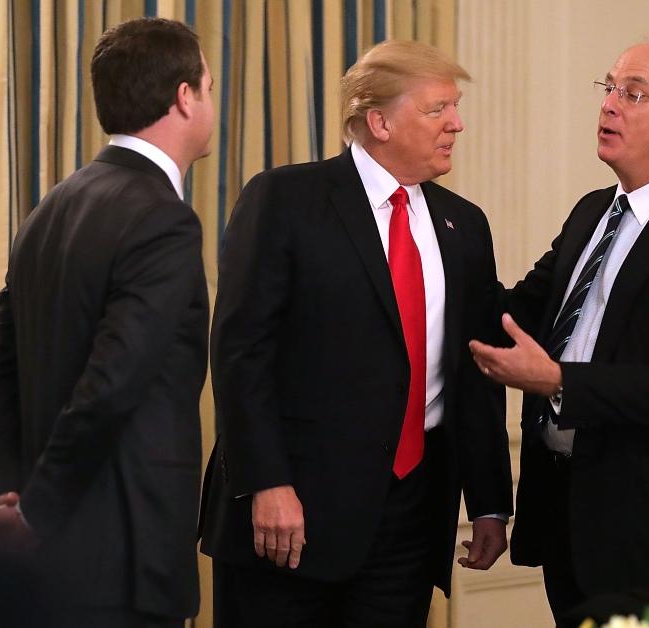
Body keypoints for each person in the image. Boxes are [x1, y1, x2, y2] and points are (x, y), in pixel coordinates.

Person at [199, 40, 513, 627]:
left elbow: (476, 368)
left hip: (411, 520)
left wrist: (490, 500)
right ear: (380, 121)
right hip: (291, 516)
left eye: (456, 107)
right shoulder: (285, 199)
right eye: (437, 109)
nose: (457, 124)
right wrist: (266, 482)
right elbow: (242, 354)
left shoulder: (464, 225)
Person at [469, 39, 649, 626]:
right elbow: (513, 314)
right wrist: (434, 244)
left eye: (632, 93)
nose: (609, 106)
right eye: (608, 88)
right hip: (568, 518)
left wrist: (556, 380)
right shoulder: (590, 212)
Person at [0, 17, 214, 626]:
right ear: (184, 97)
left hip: (39, 560)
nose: (211, 103)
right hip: (122, 559)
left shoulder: (50, 208)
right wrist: (32, 516)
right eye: (207, 88)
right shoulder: (163, 218)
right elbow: (112, 384)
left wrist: (2, 506)